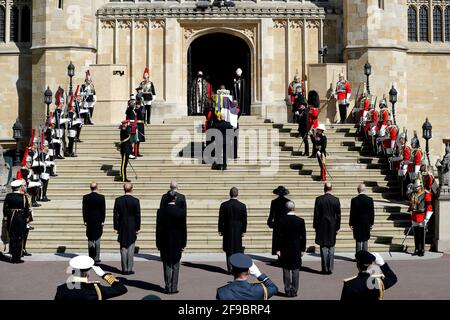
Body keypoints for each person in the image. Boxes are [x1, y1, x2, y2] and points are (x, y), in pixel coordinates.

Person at [55, 255, 128, 300]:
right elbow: (121, 289)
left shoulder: (62, 289)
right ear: (87, 273)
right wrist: (104, 275)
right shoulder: (95, 289)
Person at [156, 191, 187, 294]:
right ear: (175, 198)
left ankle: (168, 286)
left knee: (167, 265)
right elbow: (183, 229)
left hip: (164, 241)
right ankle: (174, 287)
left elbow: (158, 229)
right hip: (177, 242)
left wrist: (158, 243)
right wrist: (184, 243)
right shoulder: (180, 212)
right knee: (176, 265)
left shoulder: (161, 212)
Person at [277, 201, 306, 297]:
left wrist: (278, 249)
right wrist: (303, 249)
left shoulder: (281, 220)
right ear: (294, 208)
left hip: (285, 248)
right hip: (296, 247)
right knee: (295, 269)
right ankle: (294, 290)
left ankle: (287, 289)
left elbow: (279, 236)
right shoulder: (300, 221)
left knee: (286, 269)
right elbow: (303, 236)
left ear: (286, 209)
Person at [313, 182, 341, 274]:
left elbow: (316, 214)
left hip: (321, 225)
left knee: (323, 247)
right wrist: (338, 227)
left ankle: (325, 268)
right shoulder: (336, 200)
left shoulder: (319, 199)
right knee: (331, 246)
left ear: (324, 188)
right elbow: (338, 215)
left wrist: (315, 226)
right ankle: (330, 268)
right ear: (331, 188)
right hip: (332, 225)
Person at [113, 182, 141, 274]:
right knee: (131, 246)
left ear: (123, 189)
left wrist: (116, 227)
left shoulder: (118, 200)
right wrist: (138, 227)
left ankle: (124, 268)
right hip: (132, 225)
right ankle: (129, 268)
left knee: (123, 247)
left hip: (122, 225)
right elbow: (138, 215)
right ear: (132, 189)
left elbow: (115, 215)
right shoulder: (135, 201)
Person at [218, 187, 247, 273]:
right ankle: (236, 267)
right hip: (238, 229)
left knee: (228, 249)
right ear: (237, 194)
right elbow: (244, 220)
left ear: (229, 194)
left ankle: (229, 268)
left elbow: (221, 219)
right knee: (237, 249)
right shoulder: (242, 205)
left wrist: (220, 229)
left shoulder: (224, 205)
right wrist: (243, 230)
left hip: (227, 229)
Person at [3, 179, 32, 263]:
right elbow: (26, 209)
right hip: (21, 217)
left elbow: (5, 208)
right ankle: (17, 257)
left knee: (12, 237)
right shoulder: (23, 196)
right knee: (20, 237)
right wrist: (27, 218)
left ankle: (12, 257)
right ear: (19, 188)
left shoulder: (8, 196)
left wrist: (6, 217)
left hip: (11, 217)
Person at [82, 182, 106, 263]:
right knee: (98, 238)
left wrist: (85, 220)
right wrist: (103, 220)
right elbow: (103, 210)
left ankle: (91, 257)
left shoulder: (86, 197)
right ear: (97, 187)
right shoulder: (101, 197)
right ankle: (96, 257)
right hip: (98, 220)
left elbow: (84, 210)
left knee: (90, 238)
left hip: (89, 220)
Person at [349, 183, 374, 253]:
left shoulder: (354, 200)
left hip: (357, 223)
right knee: (365, 240)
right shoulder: (369, 199)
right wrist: (371, 223)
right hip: (366, 223)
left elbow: (352, 213)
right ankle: (365, 257)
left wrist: (351, 223)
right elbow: (372, 213)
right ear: (365, 190)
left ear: (358, 190)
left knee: (358, 240)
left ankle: (358, 257)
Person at [267, 186, 291, 256]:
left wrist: (269, 222)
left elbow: (272, 213)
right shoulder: (288, 201)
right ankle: (284, 256)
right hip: (286, 223)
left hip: (277, 223)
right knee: (285, 240)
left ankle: (279, 256)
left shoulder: (274, 202)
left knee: (278, 241)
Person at [408, 179, 427, 256]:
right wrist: (409, 191)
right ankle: (416, 248)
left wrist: (427, 217)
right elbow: (410, 201)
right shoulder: (413, 193)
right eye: (415, 187)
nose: (416, 188)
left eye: (417, 187)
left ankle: (421, 249)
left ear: (420, 186)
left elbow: (421, 202)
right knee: (416, 233)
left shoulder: (424, 193)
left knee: (421, 234)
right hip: (414, 214)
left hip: (421, 215)